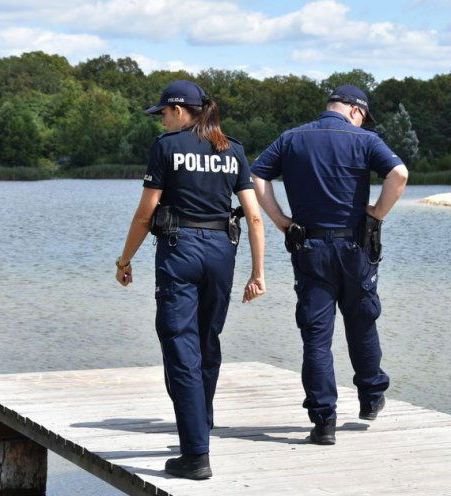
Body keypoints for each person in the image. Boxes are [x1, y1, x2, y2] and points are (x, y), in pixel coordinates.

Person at [115, 80, 265, 479]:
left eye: (163, 113)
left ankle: (195, 455)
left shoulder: (167, 148)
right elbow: (252, 216)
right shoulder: (232, 149)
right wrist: (258, 272)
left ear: (180, 111)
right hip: (222, 252)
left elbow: (145, 215)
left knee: (181, 347)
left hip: (181, 250)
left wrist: (124, 259)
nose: (161, 121)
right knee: (206, 340)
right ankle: (204, 422)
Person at [250, 84, 408, 445]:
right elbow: (399, 175)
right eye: (364, 116)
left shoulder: (291, 138)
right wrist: (377, 214)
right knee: (361, 321)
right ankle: (370, 399)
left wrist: (280, 220)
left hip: (310, 247)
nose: (363, 121)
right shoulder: (364, 140)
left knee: (316, 338)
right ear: (355, 109)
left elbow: (257, 176)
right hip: (355, 246)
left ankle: (324, 423)